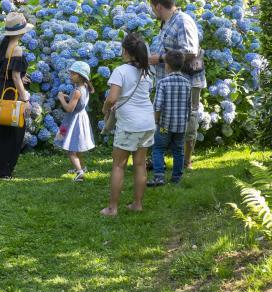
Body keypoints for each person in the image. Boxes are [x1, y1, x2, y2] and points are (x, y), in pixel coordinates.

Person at [148, 0, 206, 169]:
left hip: (186, 82)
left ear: (158, 6)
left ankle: (186, 162)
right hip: (168, 82)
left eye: (151, 6)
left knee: (188, 120)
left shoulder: (182, 21)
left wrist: (161, 58)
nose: (151, 10)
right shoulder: (167, 22)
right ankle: (161, 157)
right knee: (164, 120)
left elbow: (190, 50)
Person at [101, 33, 156, 216]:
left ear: (125, 51)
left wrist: (105, 108)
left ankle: (112, 208)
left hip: (130, 124)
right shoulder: (147, 72)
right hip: (147, 122)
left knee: (118, 165)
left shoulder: (121, 71)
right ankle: (137, 204)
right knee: (140, 164)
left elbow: (112, 98)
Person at [0, 11, 33, 179]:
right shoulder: (17, 49)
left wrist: (20, 76)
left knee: (4, 130)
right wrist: (25, 98)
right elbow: (15, 76)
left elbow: (6, 71)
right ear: (21, 31)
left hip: (2, 88)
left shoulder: (5, 45)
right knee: (16, 131)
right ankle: (5, 169)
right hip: (13, 92)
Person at [148, 50, 191, 187]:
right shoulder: (187, 83)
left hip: (165, 126)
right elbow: (189, 106)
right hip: (180, 126)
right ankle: (177, 177)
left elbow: (158, 105)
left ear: (167, 65)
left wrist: (156, 121)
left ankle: (159, 176)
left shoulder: (163, 82)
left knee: (158, 148)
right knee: (178, 150)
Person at [56, 61, 95, 182]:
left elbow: (69, 108)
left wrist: (62, 98)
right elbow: (78, 102)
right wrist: (69, 97)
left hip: (74, 121)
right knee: (76, 146)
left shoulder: (77, 91)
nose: (70, 76)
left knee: (71, 149)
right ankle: (82, 167)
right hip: (81, 118)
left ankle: (80, 173)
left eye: (72, 74)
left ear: (80, 75)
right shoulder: (84, 88)